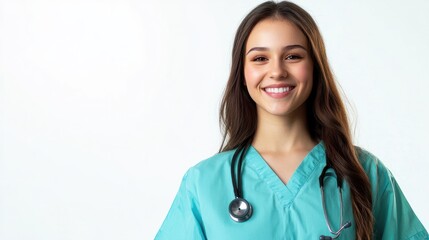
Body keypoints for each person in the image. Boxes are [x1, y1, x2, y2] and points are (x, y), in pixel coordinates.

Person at [155, 1, 428, 239]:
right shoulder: (203, 184)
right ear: (243, 73)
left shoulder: (365, 173)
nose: (276, 71)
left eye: (293, 56)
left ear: (315, 67)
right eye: (260, 58)